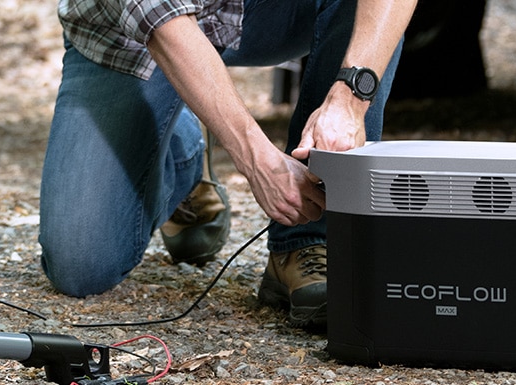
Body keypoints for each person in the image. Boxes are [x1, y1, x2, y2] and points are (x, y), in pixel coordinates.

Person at [38, 0, 416, 327]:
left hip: (267, 12)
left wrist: (350, 98)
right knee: (81, 263)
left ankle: (309, 244)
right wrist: (258, 162)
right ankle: (179, 147)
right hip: (133, 37)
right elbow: (158, 13)